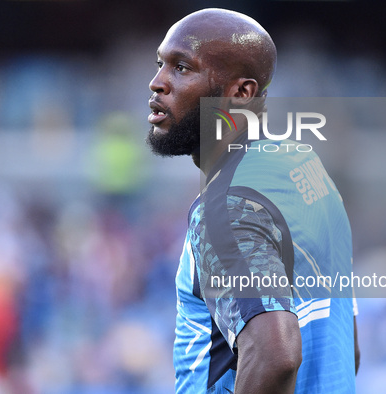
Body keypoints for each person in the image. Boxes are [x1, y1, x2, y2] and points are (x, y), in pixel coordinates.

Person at [147, 8, 359, 393]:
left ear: (240, 94)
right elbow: (347, 346)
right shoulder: (306, 169)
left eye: (181, 68)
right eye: (161, 64)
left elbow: (275, 356)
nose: (157, 82)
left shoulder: (228, 206)